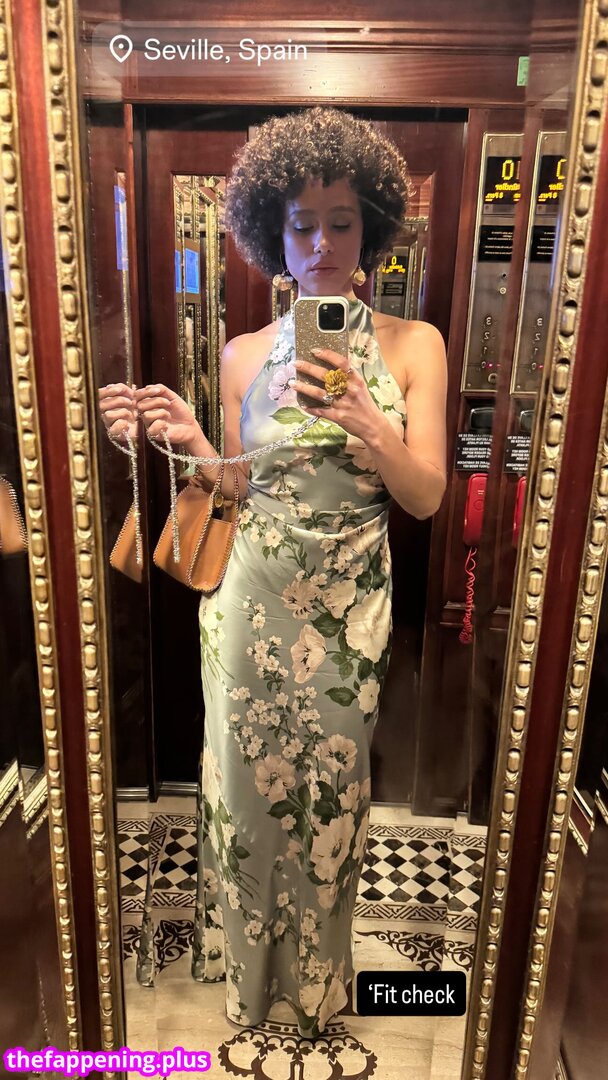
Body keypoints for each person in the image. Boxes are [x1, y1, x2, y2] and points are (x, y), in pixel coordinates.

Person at [99, 106, 447, 1038]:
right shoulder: (244, 354)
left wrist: (368, 424)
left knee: (332, 798)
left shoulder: (414, 346)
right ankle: (250, 983)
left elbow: (425, 498)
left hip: (349, 612)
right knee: (246, 799)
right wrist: (189, 438)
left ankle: (320, 985)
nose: (322, 243)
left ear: (371, 227)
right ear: (273, 237)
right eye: (302, 225)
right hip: (249, 604)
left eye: (341, 222)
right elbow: (242, 487)